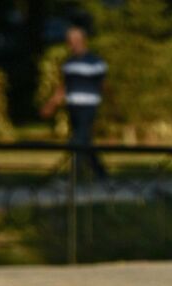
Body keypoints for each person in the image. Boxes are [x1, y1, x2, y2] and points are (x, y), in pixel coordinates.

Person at [40, 25, 109, 181]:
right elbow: (64, 86)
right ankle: (101, 174)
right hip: (73, 106)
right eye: (69, 40)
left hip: (89, 106)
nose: (72, 43)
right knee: (85, 141)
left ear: (83, 40)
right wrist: (51, 104)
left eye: (75, 40)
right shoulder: (69, 63)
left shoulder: (96, 62)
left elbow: (103, 85)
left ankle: (72, 175)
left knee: (77, 140)